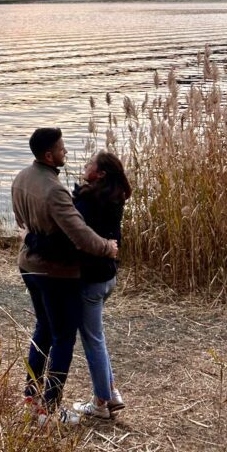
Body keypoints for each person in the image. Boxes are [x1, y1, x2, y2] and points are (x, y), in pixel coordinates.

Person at [12, 127, 118, 425]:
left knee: (43, 329)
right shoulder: (54, 189)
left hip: (28, 266)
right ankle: (49, 407)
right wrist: (107, 248)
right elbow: (80, 235)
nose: (66, 152)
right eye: (61, 149)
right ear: (49, 155)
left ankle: (31, 397)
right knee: (63, 338)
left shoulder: (21, 177)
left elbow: (21, 221)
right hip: (54, 273)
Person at [70, 152, 131, 420]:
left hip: (92, 279)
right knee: (97, 337)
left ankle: (99, 403)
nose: (85, 166)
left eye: (90, 164)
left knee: (92, 340)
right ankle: (111, 392)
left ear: (101, 173)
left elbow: (76, 233)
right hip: (108, 276)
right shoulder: (115, 197)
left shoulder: (88, 200)